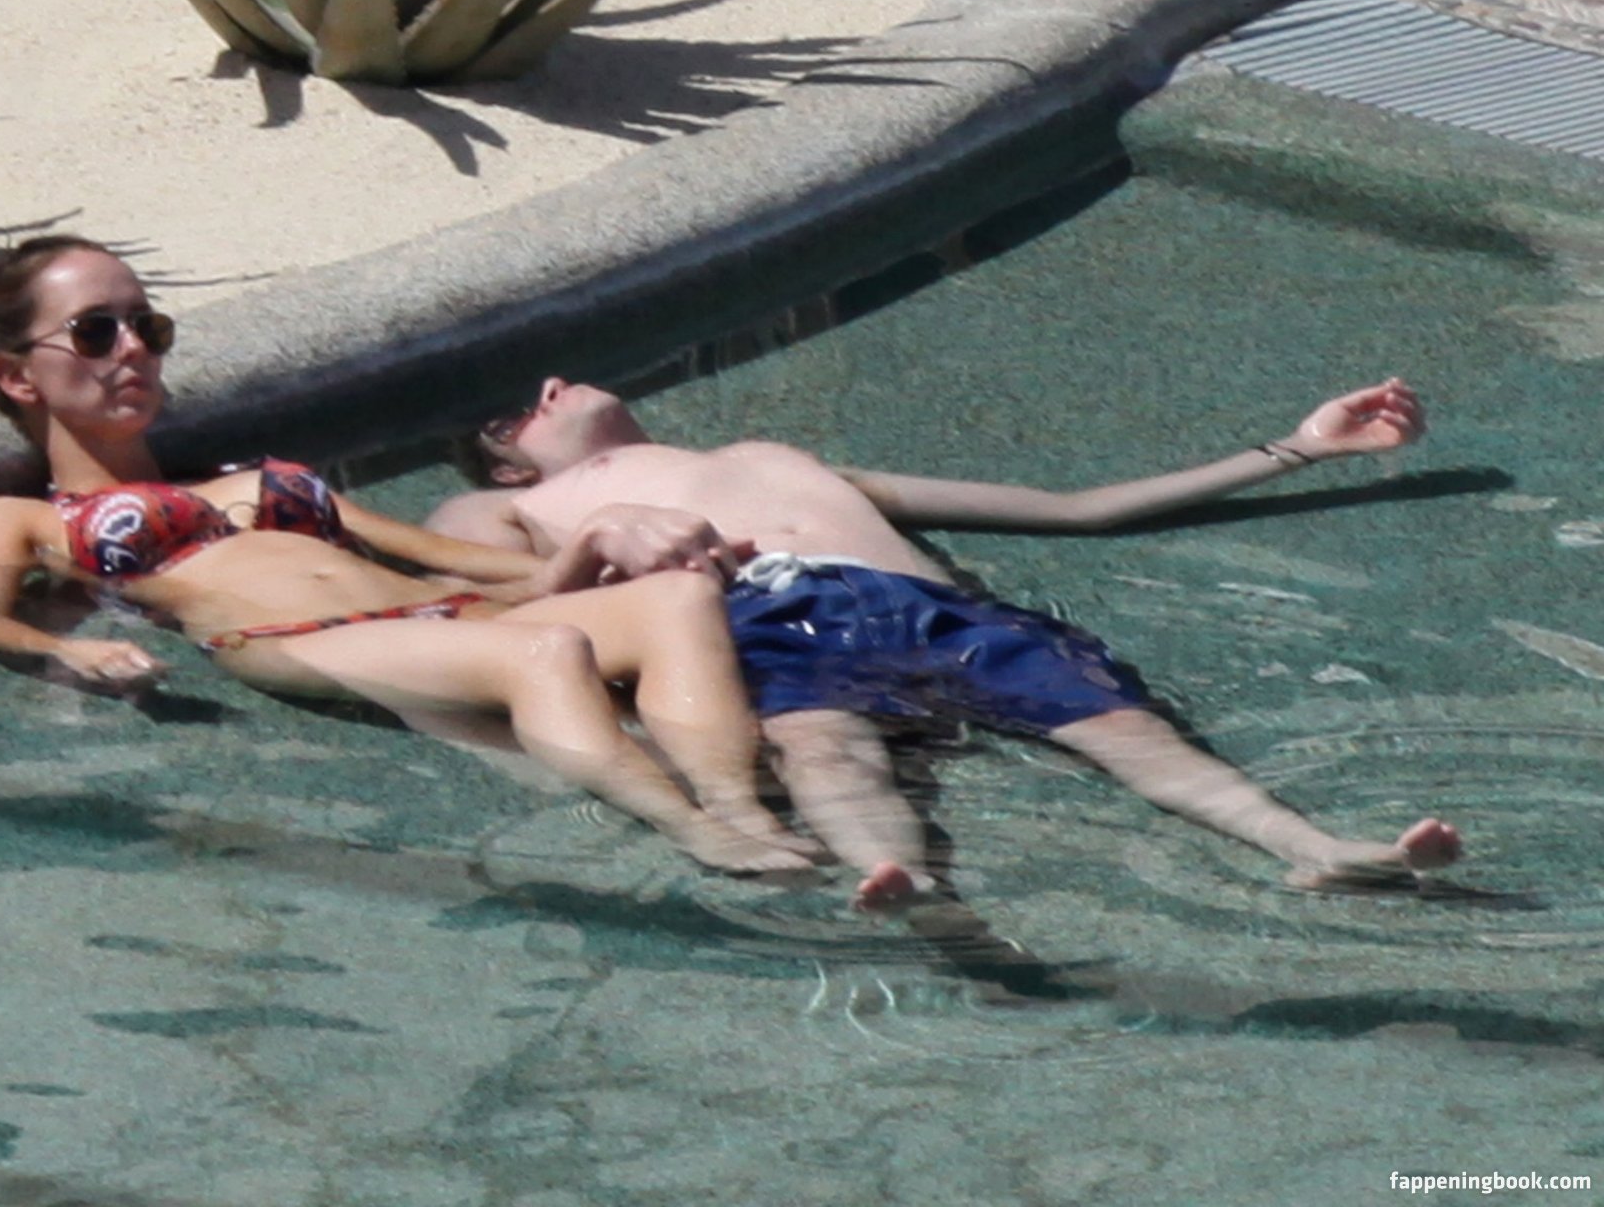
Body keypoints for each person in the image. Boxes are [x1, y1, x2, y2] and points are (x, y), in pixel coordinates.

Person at [0, 237, 820, 874]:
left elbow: (446, 557)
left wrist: (612, 548)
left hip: (445, 616)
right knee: (547, 651)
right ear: (17, 375)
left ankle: (742, 807)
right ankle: (693, 831)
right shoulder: (24, 516)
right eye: (95, 332)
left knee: (674, 603)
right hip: (306, 637)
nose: (133, 352)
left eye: (146, 328)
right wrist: (66, 650)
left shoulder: (261, 477)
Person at [426, 376, 1464, 907]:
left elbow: (1078, 508)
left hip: (935, 608)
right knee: (824, 745)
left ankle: (1316, 847)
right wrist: (596, 545)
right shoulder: (507, 505)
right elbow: (479, 615)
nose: (551, 386)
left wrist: (1298, 446)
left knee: (1130, 730)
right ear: (511, 469)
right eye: (519, 415)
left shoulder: (771, 454)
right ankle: (895, 872)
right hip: (750, 614)